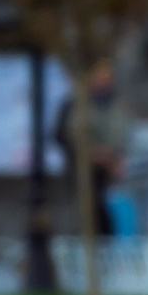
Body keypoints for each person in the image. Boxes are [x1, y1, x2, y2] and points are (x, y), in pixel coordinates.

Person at [54, 60, 121, 237]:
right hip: (80, 171)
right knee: (84, 211)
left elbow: (122, 133)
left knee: (106, 213)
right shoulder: (75, 104)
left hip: (108, 172)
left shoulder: (115, 104)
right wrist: (87, 152)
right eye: (98, 76)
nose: (102, 81)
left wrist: (111, 155)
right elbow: (64, 135)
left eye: (106, 77)